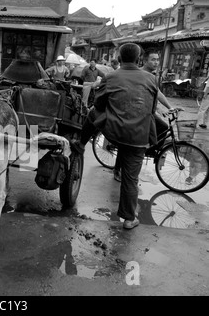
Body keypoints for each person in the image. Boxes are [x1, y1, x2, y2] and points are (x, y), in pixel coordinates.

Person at [71, 43, 158, 230]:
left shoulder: (110, 77)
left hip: (116, 133)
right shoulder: (151, 79)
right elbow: (152, 109)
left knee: (93, 112)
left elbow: (100, 104)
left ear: (119, 58)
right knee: (131, 179)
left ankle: (81, 144)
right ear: (139, 59)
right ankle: (129, 219)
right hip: (139, 137)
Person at [112, 49, 182, 182]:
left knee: (162, 127)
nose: (156, 62)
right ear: (144, 61)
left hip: (148, 113)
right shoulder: (140, 74)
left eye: (157, 60)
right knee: (127, 143)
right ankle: (118, 168)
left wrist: (169, 107)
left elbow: (158, 93)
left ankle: (145, 149)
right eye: (153, 60)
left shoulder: (152, 76)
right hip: (135, 114)